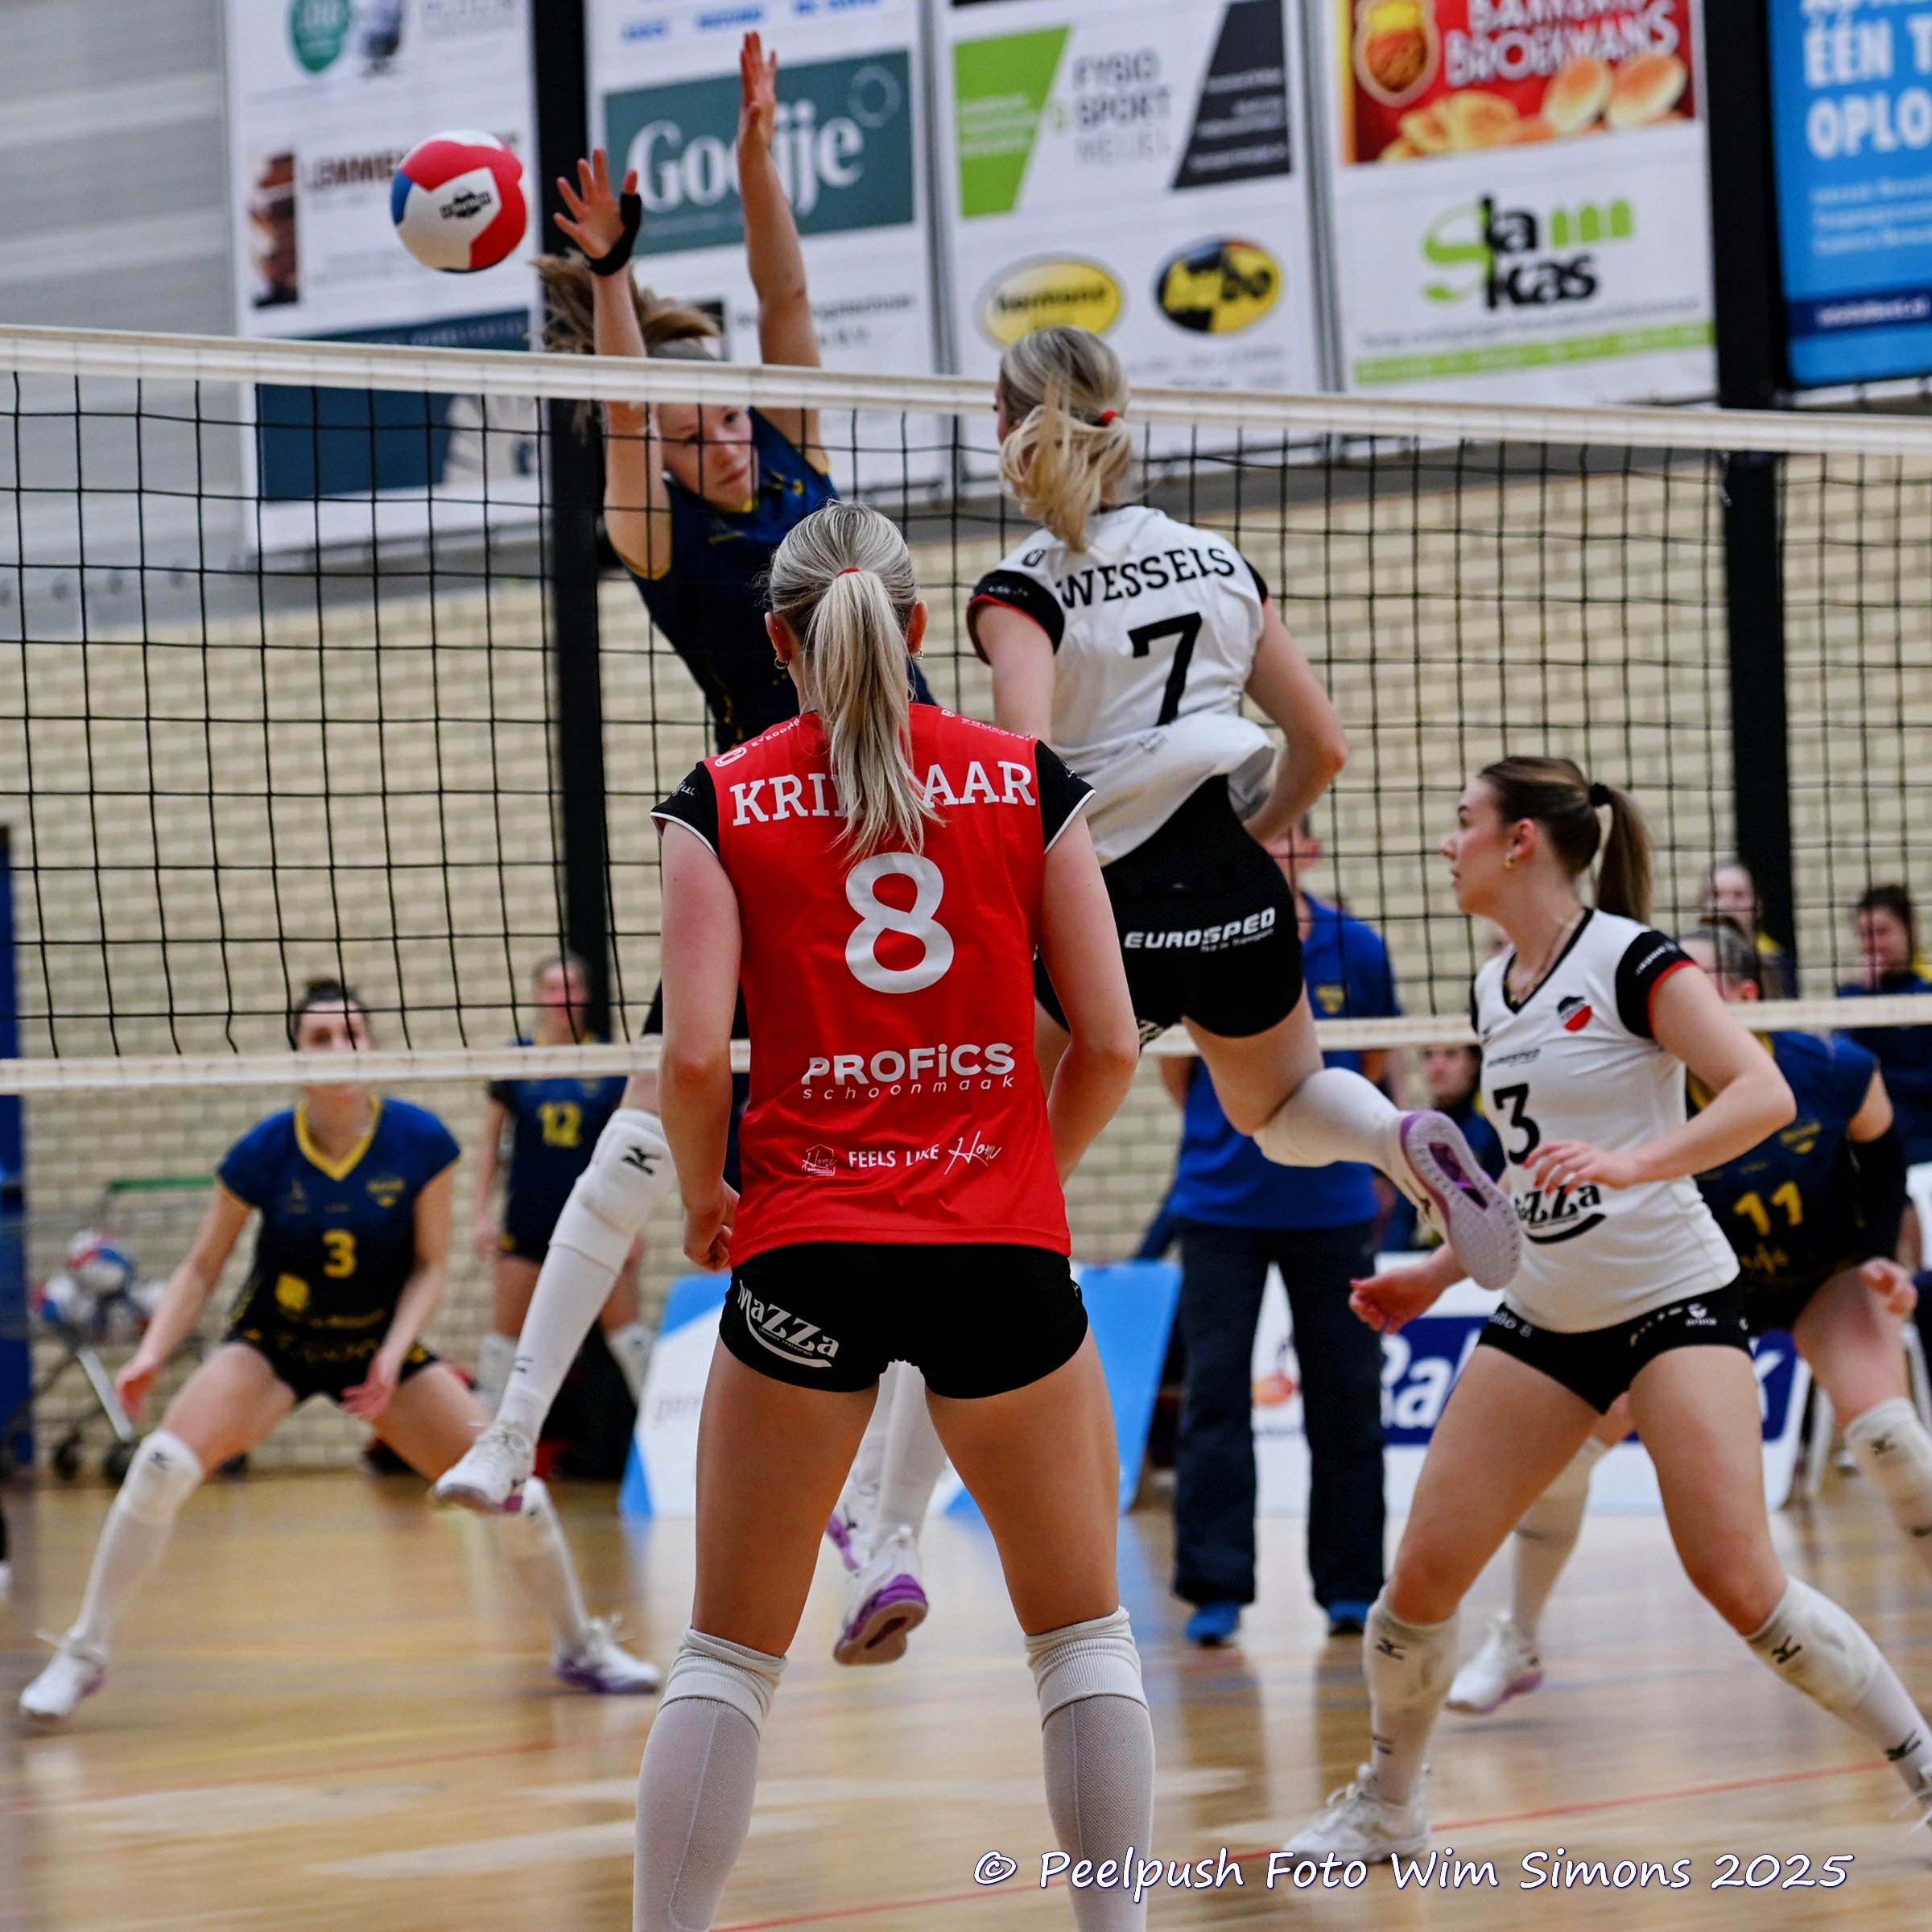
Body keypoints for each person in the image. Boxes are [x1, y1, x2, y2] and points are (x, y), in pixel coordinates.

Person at [436, 39, 947, 1648]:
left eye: (726, 404)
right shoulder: (662, 527)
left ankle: (883, 1533)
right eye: (691, 417)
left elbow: (784, 298)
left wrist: (756, 164)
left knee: (944, 1189)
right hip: (780, 849)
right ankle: (512, 1435)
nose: (721, 425)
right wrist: (613, 276)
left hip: (919, 833)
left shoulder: (794, 455)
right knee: (646, 1140)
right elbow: (623, 409)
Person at [630, 502, 1150, 1932]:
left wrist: (706, 1197)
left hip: (807, 1247)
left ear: (778, 642)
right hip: (998, 1250)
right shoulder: (1026, 780)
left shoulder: (718, 799)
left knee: (729, 1656)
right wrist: (1021, 1174)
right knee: (1081, 1637)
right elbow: (1110, 1040)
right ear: (917, 626)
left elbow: (692, 1058)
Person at [1283, 758, 1932, 1862]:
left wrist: (1637, 1163)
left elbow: (1762, 1093)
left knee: (1741, 1585)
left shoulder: (1634, 960)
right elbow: (1523, 1176)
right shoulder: (1494, 989)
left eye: (1462, 822)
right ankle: (1391, 1808)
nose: (1446, 843)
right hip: (1547, 1314)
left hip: (1674, 1300)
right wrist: (1436, 1274)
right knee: (1418, 1584)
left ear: (1522, 841)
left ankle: (1922, 1767)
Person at [964, 324, 1519, 1294]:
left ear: (1005, 422)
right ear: (1120, 422)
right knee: (1280, 1110)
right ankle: (1393, 1137)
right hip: (1236, 883)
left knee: (996, 1158)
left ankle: (945, 1359)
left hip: (1105, 901)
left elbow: (1028, 772)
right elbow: (1324, 743)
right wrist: (1254, 838)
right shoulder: (1217, 562)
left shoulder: (1021, 588)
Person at [18, 981, 656, 1728]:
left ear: (373, 1045)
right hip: (275, 1347)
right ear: (297, 1056)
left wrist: (392, 1355)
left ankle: (578, 1643)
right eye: (320, 1037)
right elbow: (200, 1269)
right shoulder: (264, 1150)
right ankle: (84, 1651)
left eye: (352, 1032)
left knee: (520, 1493)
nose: (339, 1048)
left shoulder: (419, 1141)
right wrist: (150, 1354)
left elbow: (431, 1267)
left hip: (376, 1351)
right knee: (160, 1466)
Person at [1449, 915, 1926, 1717]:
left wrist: (1881, 1255)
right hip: (1691, 1293)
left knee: (1890, 1441)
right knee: (1566, 1459)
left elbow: (1883, 1154)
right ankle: (1518, 1639)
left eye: (1693, 981)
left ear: (1747, 997)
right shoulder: (1633, 1084)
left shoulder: (1833, 1068)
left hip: (1821, 1280)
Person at [1158, 818, 1401, 1646]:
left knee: (1347, 1396)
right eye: (1257, 830)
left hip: (1330, 1207)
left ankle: (1353, 1587)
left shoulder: (1356, 948)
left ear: (1313, 847)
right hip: (1220, 1206)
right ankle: (1215, 1589)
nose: (1269, 845)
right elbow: (1179, 1071)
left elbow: (1373, 1063)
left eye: (1287, 830)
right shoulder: (1202, 934)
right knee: (1215, 1399)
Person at [471, 953, 652, 1413]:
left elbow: (630, 1150)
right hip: (528, 1220)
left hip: (599, 1219)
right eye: (552, 988)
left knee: (631, 1342)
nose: (562, 997)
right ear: (537, 996)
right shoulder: (515, 1059)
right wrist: (481, 1216)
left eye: (571, 987)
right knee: (502, 1349)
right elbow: (489, 1143)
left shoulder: (609, 1060)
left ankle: (669, 1440)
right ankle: (479, 1439)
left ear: (585, 995)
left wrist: (635, 1223)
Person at [1838, 884, 1932, 1267]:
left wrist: (1880, 1078)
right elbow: (1849, 1077)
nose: (1872, 944)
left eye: (1882, 932)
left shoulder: (1925, 995)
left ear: (1909, 929)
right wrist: (1865, 997)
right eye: (1865, 934)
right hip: (1870, 1151)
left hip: (1925, 1149)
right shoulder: (1850, 1000)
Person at [1382, 1043, 1504, 1253]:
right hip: (1421, 1253)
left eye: (1451, 1054)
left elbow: (1499, 1212)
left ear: (1473, 1064)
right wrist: (1390, 1259)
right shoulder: (1415, 1134)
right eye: (1428, 1055)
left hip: (1483, 1253)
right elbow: (1403, 1215)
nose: (1437, 1066)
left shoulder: (1492, 1135)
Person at [1703, 860, 1791, 997]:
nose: (1727, 905)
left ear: (1757, 905)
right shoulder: (1689, 957)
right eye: (1716, 895)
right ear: (1703, 905)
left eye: (1738, 895)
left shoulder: (1774, 958)